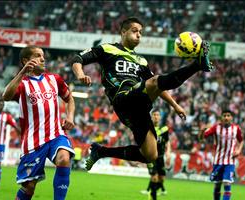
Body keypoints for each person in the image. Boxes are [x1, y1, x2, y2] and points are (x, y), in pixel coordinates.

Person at [70, 17, 213, 171]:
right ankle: (197, 65)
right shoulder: (107, 49)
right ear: (123, 32)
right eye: (135, 31)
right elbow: (78, 58)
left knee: (150, 155)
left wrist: (175, 105)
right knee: (154, 81)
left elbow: (157, 86)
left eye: (141, 32)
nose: (139, 35)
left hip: (139, 109)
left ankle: (101, 151)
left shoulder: (141, 61)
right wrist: (80, 75)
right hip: (122, 98)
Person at [2, 46, 76, 200]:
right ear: (25, 61)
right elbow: (6, 96)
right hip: (33, 141)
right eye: (37, 56)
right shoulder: (22, 84)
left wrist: (70, 116)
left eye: (43, 56)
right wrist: (21, 73)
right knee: (29, 187)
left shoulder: (54, 79)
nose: (43, 59)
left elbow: (69, 99)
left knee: (64, 158)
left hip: (56, 134)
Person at [198, 109, 243, 200]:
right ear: (221, 117)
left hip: (230, 161)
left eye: (228, 115)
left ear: (231, 117)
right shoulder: (215, 128)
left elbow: (241, 140)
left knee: (227, 183)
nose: (226, 117)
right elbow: (201, 139)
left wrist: (238, 150)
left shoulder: (236, 128)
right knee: (217, 185)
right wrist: (202, 131)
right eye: (224, 115)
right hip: (218, 160)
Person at [140, 109, 171, 199]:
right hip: (151, 157)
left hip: (161, 156)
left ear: (160, 117)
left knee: (162, 179)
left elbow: (167, 141)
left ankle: (151, 191)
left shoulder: (164, 129)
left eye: (157, 115)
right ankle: (152, 196)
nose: (156, 117)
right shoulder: (147, 128)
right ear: (151, 116)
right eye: (154, 115)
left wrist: (168, 151)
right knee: (154, 178)